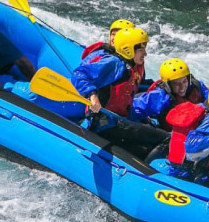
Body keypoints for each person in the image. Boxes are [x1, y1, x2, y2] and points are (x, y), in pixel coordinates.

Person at [71, 27, 167, 157]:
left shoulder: (130, 66)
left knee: (147, 145)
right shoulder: (113, 63)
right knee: (166, 139)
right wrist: (93, 96)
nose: (145, 54)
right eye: (141, 50)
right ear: (128, 50)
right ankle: (147, 176)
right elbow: (79, 74)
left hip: (120, 121)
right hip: (107, 124)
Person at [129, 58, 209, 129]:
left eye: (184, 81)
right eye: (177, 84)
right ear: (168, 85)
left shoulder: (197, 86)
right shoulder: (160, 97)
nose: (182, 87)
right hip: (171, 135)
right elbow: (133, 107)